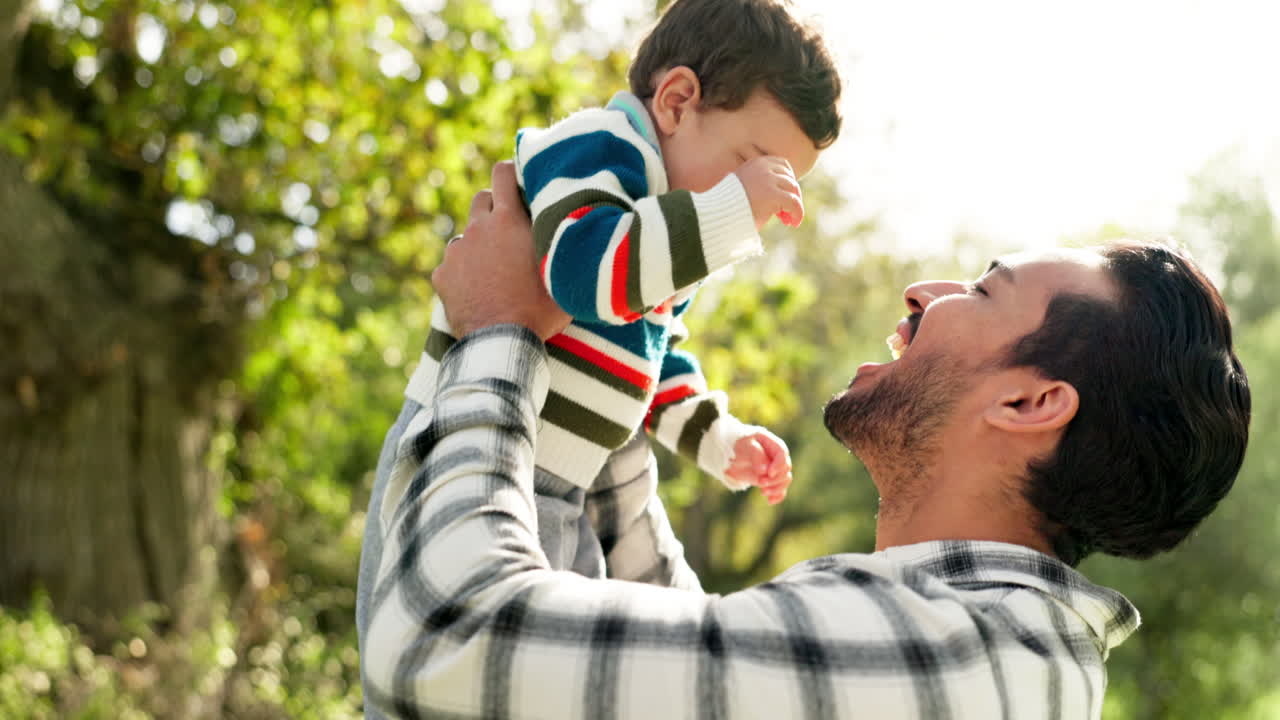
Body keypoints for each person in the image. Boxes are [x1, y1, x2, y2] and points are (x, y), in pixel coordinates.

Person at [359, 161, 1250, 719]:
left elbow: (445, 642)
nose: (920, 290)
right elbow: (695, 662)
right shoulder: (985, 645)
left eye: (981, 292)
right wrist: (607, 381)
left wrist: (497, 335)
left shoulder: (938, 661)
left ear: (1030, 404)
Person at [383, 0, 842, 575]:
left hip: (567, 484)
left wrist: (720, 438)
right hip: (468, 453)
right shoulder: (594, 147)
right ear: (676, 101)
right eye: (751, 166)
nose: (763, 206)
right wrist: (729, 210)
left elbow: (653, 358)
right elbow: (582, 276)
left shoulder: (660, 236)